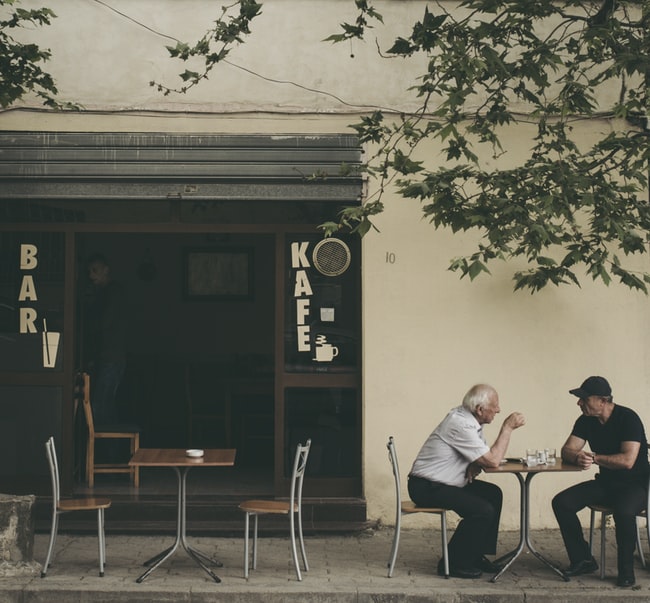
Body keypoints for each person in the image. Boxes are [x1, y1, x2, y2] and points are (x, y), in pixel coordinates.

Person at [408, 383, 526, 579]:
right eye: (495, 406)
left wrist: (476, 462)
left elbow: (484, 458)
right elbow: (493, 460)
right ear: (480, 409)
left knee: (493, 494)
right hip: (426, 486)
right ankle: (453, 562)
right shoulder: (460, 423)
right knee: (482, 510)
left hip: (445, 483)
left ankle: (474, 554)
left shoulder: (470, 420)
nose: (498, 409)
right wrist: (507, 428)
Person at [552, 376, 649, 588]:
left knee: (624, 512)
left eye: (584, 398)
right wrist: (576, 456)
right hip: (606, 483)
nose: (579, 403)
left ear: (603, 401)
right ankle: (583, 560)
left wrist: (595, 457)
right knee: (562, 502)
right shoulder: (585, 420)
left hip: (636, 485)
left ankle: (626, 570)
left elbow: (627, 460)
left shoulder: (628, 418)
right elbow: (567, 449)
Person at [85, 253, 127, 426]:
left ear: (106, 270)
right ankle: (110, 450)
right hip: (107, 358)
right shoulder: (105, 293)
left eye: (95, 270)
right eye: (89, 271)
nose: (91, 275)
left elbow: (104, 323)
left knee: (101, 405)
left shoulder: (113, 293)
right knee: (104, 405)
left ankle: (110, 451)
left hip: (111, 358)